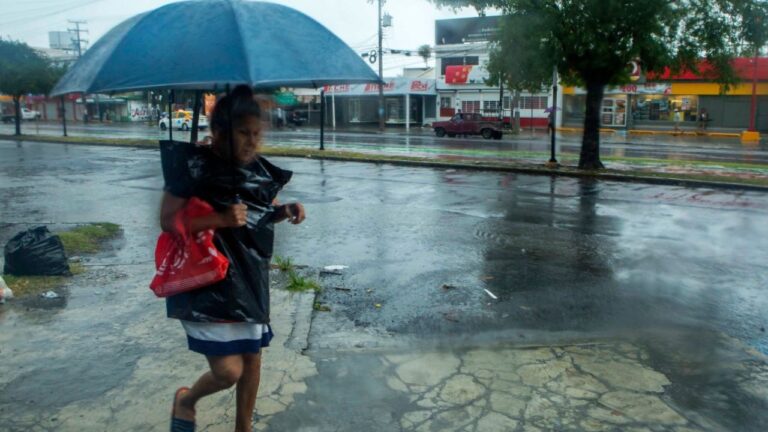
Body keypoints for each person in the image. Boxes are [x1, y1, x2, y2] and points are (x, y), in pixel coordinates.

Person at [162, 85, 306, 432]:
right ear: (218, 132)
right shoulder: (193, 166)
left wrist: (284, 210)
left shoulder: (258, 170)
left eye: (257, 134)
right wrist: (219, 219)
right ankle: (187, 400)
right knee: (228, 371)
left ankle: (244, 428)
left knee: (253, 359)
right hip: (208, 282)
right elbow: (168, 221)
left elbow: (257, 214)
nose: (252, 141)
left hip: (250, 277)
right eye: (243, 133)